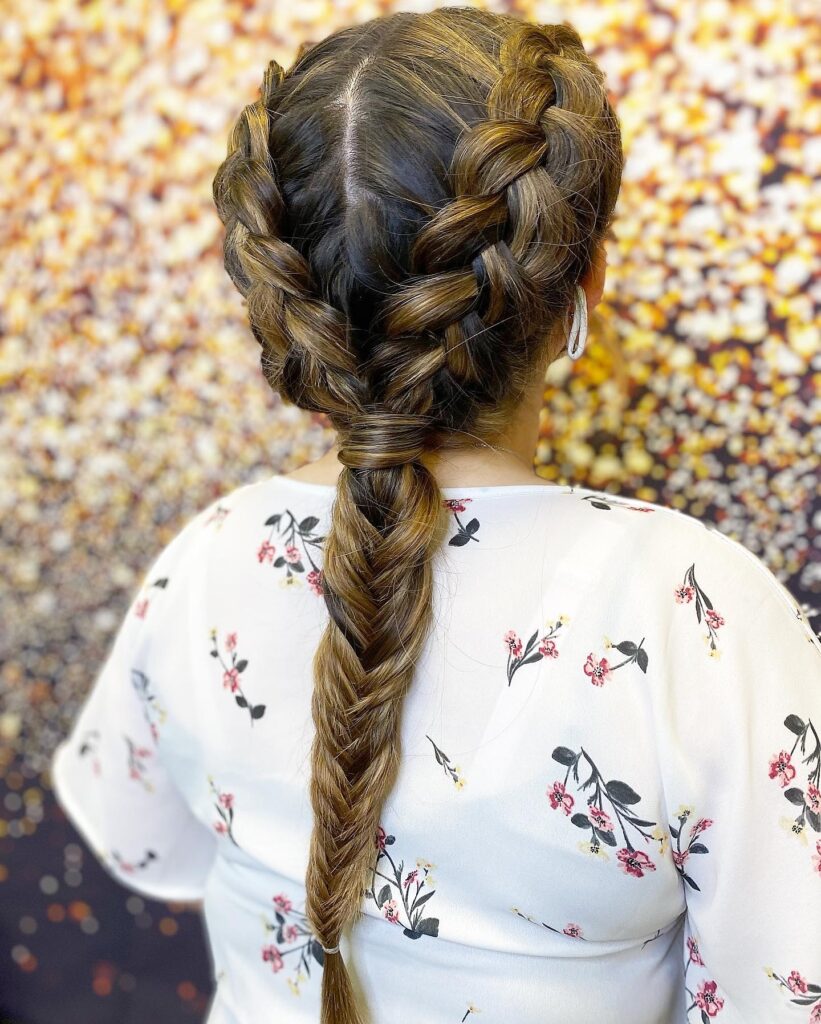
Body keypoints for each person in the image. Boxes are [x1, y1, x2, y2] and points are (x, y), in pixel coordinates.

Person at [50, 8, 821, 1024]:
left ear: (290, 308)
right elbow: (780, 993)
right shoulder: (699, 618)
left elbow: (152, 841)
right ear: (583, 285)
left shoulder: (209, 562)